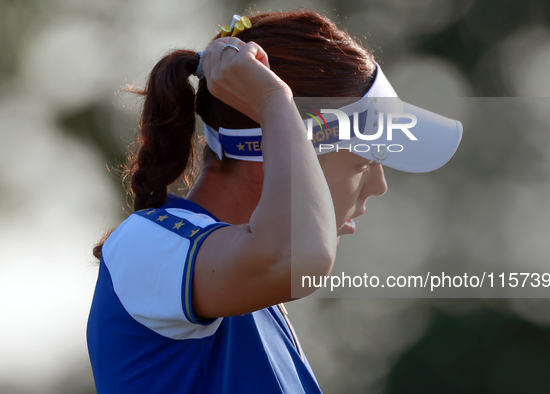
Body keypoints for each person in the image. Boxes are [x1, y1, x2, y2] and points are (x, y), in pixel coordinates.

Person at [87, 8, 462, 394]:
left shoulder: (249, 290)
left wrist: (273, 110)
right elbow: (299, 258)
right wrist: (273, 103)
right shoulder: (146, 245)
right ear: (279, 150)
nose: (379, 184)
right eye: (365, 161)